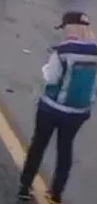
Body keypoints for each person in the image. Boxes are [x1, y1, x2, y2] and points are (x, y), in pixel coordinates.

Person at [18, 11, 97, 202]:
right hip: (78, 112)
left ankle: (25, 186)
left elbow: (51, 78)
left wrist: (45, 69)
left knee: (39, 144)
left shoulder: (64, 50)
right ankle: (56, 193)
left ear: (70, 27)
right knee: (65, 149)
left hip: (51, 108)